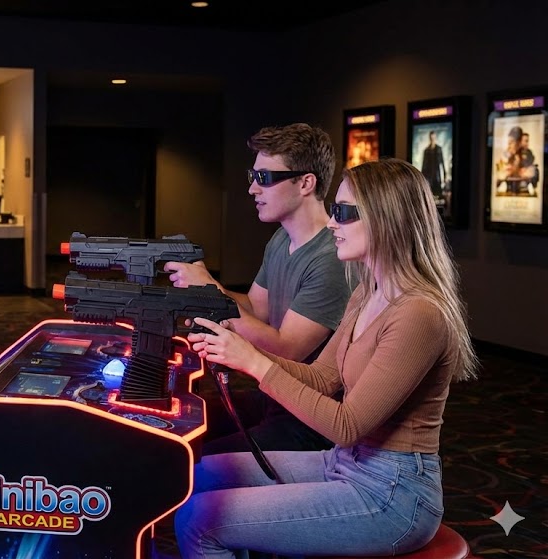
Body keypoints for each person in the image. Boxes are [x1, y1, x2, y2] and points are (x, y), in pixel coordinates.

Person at [173, 158, 479, 559]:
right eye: (334, 211)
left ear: (389, 219)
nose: (332, 223)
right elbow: (322, 377)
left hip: (393, 494)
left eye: (345, 213)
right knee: (198, 476)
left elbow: (347, 425)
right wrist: (237, 352)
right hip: (343, 463)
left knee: (201, 519)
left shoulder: (419, 313)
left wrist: (255, 363)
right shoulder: (367, 292)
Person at [164, 123, 352, 455]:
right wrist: (210, 284)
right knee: (175, 431)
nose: (252, 189)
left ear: (306, 182)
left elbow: (286, 349)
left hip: (309, 418)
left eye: (264, 178)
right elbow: (256, 308)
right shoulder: (283, 238)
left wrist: (211, 290)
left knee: (196, 459)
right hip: (273, 397)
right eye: (253, 176)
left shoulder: (330, 259)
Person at [421, 130, 447, 197]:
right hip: (428, 176)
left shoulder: (439, 149)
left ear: (435, 138)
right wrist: (422, 178)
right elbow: (424, 165)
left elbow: (442, 163)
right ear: (430, 138)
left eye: (433, 138)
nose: (432, 139)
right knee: (429, 195)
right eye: (431, 138)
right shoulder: (426, 150)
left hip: (437, 176)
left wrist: (445, 175)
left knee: (438, 195)